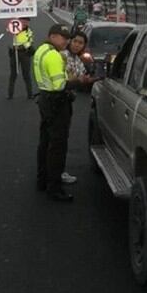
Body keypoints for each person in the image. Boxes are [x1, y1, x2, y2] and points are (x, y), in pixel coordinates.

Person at [33, 24, 88, 201]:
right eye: (62, 37)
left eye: (67, 37)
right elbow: (60, 85)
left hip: (44, 99)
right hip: (57, 103)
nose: (66, 41)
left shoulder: (41, 50)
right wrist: (80, 81)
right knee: (58, 146)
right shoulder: (54, 56)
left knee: (45, 143)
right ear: (52, 36)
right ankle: (55, 188)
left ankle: (42, 180)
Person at [58, 30, 97, 185]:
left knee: (61, 138)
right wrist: (79, 79)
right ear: (70, 41)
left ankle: (54, 171)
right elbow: (66, 77)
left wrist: (88, 79)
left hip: (66, 100)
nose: (77, 45)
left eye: (81, 43)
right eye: (75, 41)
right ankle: (56, 174)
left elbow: (81, 78)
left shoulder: (77, 59)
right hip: (57, 100)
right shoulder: (62, 55)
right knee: (58, 140)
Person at [7, 18, 34, 99]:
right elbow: (8, 29)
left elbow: (30, 41)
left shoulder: (29, 31)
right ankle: (10, 95)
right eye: (23, 21)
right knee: (13, 74)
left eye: (27, 21)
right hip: (14, 53)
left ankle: (30, 94)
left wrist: (22, 46)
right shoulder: (15, 29)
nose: (25, 22)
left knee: (26, 75)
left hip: (25, 53)